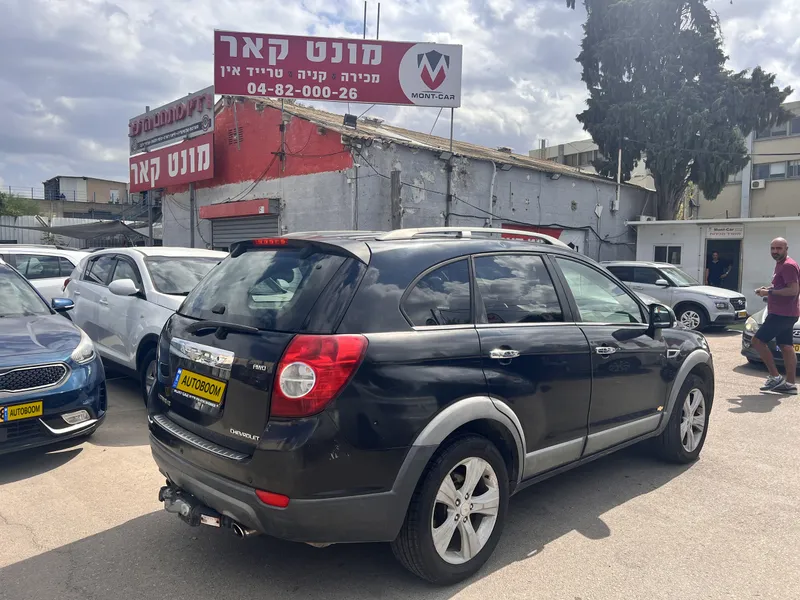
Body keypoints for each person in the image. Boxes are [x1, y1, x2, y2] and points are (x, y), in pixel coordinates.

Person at [752, 238, 800, 394]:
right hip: (786, 313)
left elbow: (793, 290)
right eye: (772, 248)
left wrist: (769, 292)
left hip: (782, 313)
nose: (775, 251)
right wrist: (768, 288)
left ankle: (775, 377)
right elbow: (783, 287)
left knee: (757, 341)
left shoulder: (788, 266)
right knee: (786, 346)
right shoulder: (781, 264)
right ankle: (790, 384)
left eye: (779, 248)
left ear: (786, 248)